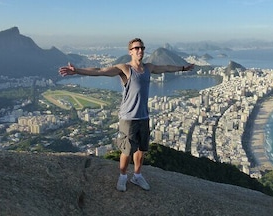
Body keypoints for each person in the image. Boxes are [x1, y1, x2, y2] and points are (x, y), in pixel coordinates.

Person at [58, 38, 194, 192]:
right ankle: (122, 177)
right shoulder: (125, 69)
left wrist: (183, 68)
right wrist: (77, 71)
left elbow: (166, 68)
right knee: (127, 151)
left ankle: (137, 175)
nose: (140, 50)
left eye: (142, 47)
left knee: (141, 150)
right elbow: (100, 71)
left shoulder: (149, 67)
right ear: (130, 51)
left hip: (143, 116)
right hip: (128, 117)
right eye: (136, 48)